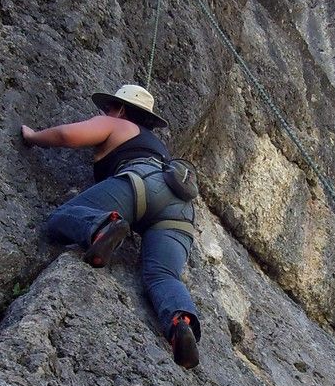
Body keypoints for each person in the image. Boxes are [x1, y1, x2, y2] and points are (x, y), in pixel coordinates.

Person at [21, 83, 201, 369]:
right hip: (180, 208)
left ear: (120, 108)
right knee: (163, 275)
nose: (104, 112)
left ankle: (103, 226)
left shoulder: (117, 123)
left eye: (108, 107)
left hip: (141, 184)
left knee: (60, 218)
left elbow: (68, 135)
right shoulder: (158, 146)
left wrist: (32, 136)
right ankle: (181, 321)